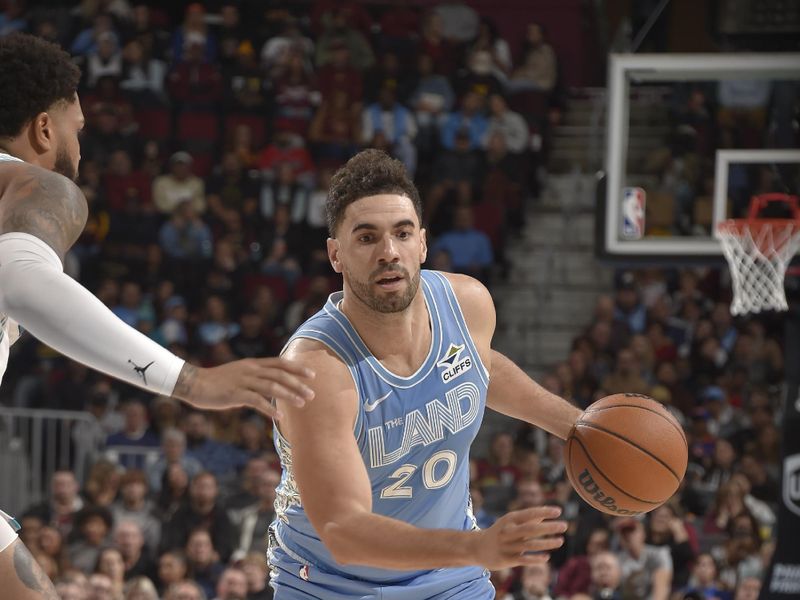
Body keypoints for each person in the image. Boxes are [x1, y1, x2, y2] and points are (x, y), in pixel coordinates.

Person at [0, 33, 314, 600]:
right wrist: (190, 379)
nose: (81, 146)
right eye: (79, 128)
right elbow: (21, 278)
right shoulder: (33, 184)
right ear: (45, 128)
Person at [269, 149, 582, 597]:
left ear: (423, 243)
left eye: (402, 233)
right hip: (331, 584)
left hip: (449, 579)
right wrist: (477, 547)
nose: (389, 252)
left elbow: (480, 367)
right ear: (336, 255)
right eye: (367, 238)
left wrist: (574, 425)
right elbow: (345, 531)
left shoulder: (467, 302)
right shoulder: (316, 371)